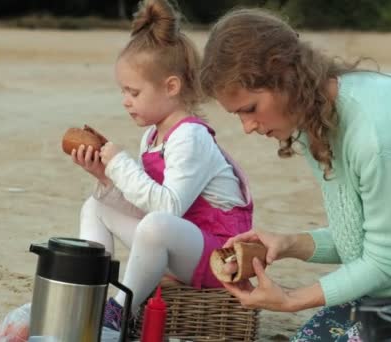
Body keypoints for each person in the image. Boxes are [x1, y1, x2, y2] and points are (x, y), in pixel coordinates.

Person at [199, 7, 391, 342]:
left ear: (284, 74)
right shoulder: (318, 121)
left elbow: (386, 263)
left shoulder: (373, 135)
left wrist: (291, 299)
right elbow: (365, 240)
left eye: (250, 109)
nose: (247, 127)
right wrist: (288, 244)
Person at [69, 0, 254, 332]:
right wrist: (105, 176)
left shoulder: (191, 137)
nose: (125, 100)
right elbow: (144, 202)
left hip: (219, 258)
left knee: (156, 226)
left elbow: (167, 210)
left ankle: (118, 313)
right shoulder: (153, 136)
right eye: (123, 91)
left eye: (134, 92)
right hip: (182, 246)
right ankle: (87, 295)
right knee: (95, 206)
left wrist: (121, 165)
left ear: (171, 86)